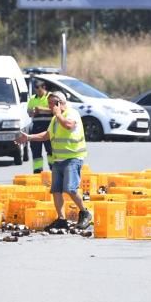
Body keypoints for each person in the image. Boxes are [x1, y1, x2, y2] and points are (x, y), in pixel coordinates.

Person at [16, 91, 91, 230]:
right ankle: (61, 219)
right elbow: (47, 135)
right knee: (56, 190)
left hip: (72, 158)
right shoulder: (55, 119)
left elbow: (68, 125)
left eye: (52, 103)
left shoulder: (71, 114)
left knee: (70, 188)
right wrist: (28, 137)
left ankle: (85, 212)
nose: (50, 107)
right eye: (49, 103)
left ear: (60, 103)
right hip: (58, 160)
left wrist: (58, 114)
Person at [25, 80, 54, 173]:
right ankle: (38, 172)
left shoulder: (50, 97)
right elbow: (29, 113)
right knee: (36, 152)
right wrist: (33, 112)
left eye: (39, 89)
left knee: (50, 151)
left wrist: (41, 109)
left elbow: (54, 109)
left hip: (48, 127)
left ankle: (53, 169)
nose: (37, 91)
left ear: (44, 87)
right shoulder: (33, 99)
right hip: (36, 127)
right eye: (36, 89)